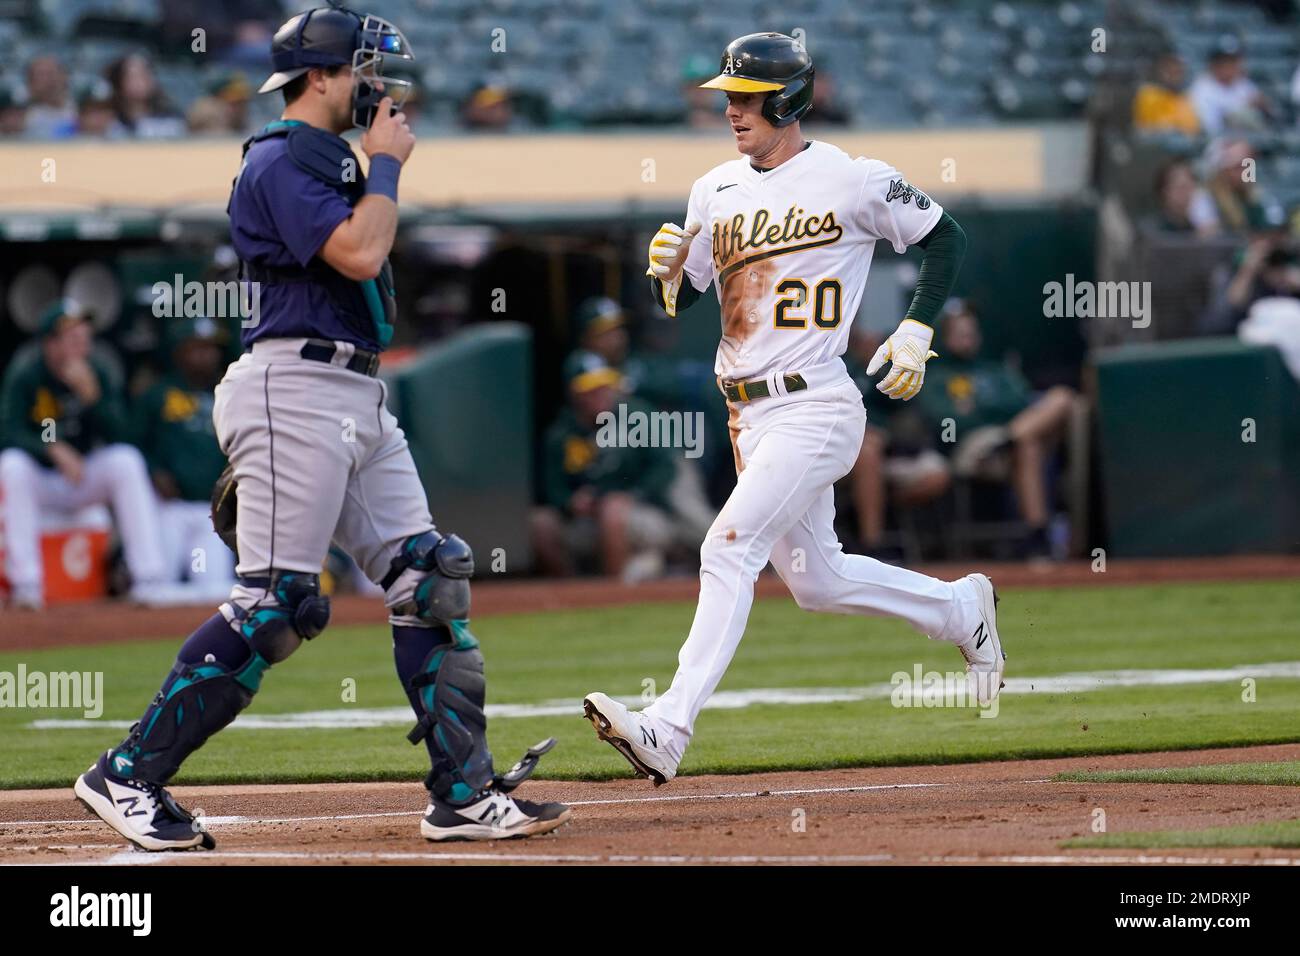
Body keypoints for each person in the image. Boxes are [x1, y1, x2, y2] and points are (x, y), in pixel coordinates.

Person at [73, 6, 569, 852]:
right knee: (275, 607)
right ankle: (128, 774)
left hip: (353, 391)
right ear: (324, 75)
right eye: (366, 71)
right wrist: (384, 166)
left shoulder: (332, 154)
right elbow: (359, 254)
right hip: (293, 385)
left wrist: (374, 164)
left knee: (428, 577)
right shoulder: (281, 152)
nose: (380, 87)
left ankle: (462, 792)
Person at [582, 33, 1003, 786]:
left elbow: (947, 238)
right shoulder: (715, 189)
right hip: (747, 412)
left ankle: (668, 726)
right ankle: (957, 607)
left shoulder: (852, 177)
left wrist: (916, 326)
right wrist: (665, 278)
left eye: (746, 97)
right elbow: (687, 293)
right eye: (730, 98)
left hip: (816, 403)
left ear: (788, 99)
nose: (733, 111)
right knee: (819, 581)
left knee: (726, 547)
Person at [0, 302, 167, 609]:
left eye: (83, 333)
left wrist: (94, 399)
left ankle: (149, 579)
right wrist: (50, 447)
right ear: (50, 344)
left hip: (85, 475)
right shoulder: (28, 372)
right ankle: (27, 586)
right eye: (71, 335)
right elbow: (7, 431)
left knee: (125, 461)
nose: (81, 341)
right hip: (44, 478)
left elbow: (125, 435)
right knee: (11, 465)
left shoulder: (98, 370)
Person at [916, 302, 1076, 560]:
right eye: (960, 333)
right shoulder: (937, 376)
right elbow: (947, 420)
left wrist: (979, 407)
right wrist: (993, 410)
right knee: (1028, 443)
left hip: (1009, 437)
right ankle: (1038, 538)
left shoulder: (994, 369)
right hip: (972, 449)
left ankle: (1037, 538)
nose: (967, 339)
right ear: (945, 338)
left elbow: (1021, 401)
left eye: (971, 333)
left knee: (1062, 397)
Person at [532, 353, 678, 581]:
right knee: (540, 523)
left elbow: (665, 468)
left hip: (642, 517)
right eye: (592, 389)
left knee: (612, 509)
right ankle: (572, 594)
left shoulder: (636, 416)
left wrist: (633, 495)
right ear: (576, 394)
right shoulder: (561, 435)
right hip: (586, 524)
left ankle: (614, 591)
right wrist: (571, 502)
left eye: (604, 386)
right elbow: (552, 489)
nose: (601, 394)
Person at [132, 317, 238, 602]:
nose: (206, 355)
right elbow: (133, 443)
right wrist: (154, 472)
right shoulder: (158, 394)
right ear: (179, 352)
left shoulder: (229, 393)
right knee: (157, 587)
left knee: (215, 589)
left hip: (211, 514)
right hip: (169, 510)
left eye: (210, 348)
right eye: (197, 348)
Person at [1189, 37, 1270, 137]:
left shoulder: (1243, 83)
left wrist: (1263, 107)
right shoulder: (1202, 88)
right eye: (1224, 61)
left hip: (1250, 140)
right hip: (1216, 144)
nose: (1229, 66)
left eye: (1233, 61)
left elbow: (1266, 109)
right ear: (1213, 64)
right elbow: (1210, 128)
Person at [104, 53, 185, 139]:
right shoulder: (109, 122)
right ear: (119, 82)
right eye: (133, 76)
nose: (141, 82)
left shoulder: (172, 119)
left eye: (145, 74)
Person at [1132, 52, 1199, 136]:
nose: (1173, 76)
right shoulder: (1148, 94)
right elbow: (1143, 127)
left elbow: (1193, 128)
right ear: (1161, 71)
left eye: (1177, 72)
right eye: (1169, 71)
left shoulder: (1185, 97)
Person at [22, 55, 74, 138]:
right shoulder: (24, 117)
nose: (49, 80)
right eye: (41, 75)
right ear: (31, 83)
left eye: (52, 73)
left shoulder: (79, 109)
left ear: (64, 76)